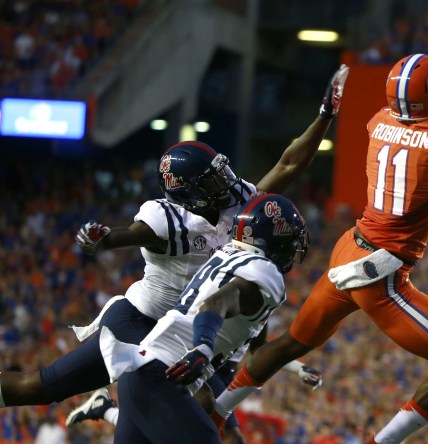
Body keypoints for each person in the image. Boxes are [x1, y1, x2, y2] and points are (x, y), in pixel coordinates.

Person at [205, 35, 428, 443]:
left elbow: (422, 136)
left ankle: (218, 409)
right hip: (380, 272)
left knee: (293, 342)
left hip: (350, 246)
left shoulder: (380, 119)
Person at [0, 66, 348, 425]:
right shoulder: (165, 220)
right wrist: (101, 240)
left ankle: (108, 411)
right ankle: (111, 410)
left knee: (200, 417)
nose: (225, 182)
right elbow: (126, 235)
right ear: (188, 195)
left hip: (191, 327)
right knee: (41, 388)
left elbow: (288, 164)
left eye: (220, 172)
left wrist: (325, 115)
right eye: (211, 180)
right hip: (142, 321)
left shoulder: (237, 203)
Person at [104, 193, 310, 443]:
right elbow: (215, 303)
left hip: (145, 372)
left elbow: (258, 348)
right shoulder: (265, 274)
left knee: (203, 406)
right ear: (277, 239)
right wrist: (202, 346)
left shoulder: (228, 255)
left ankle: (105, 410)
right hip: (164, 375)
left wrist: (297, 368)